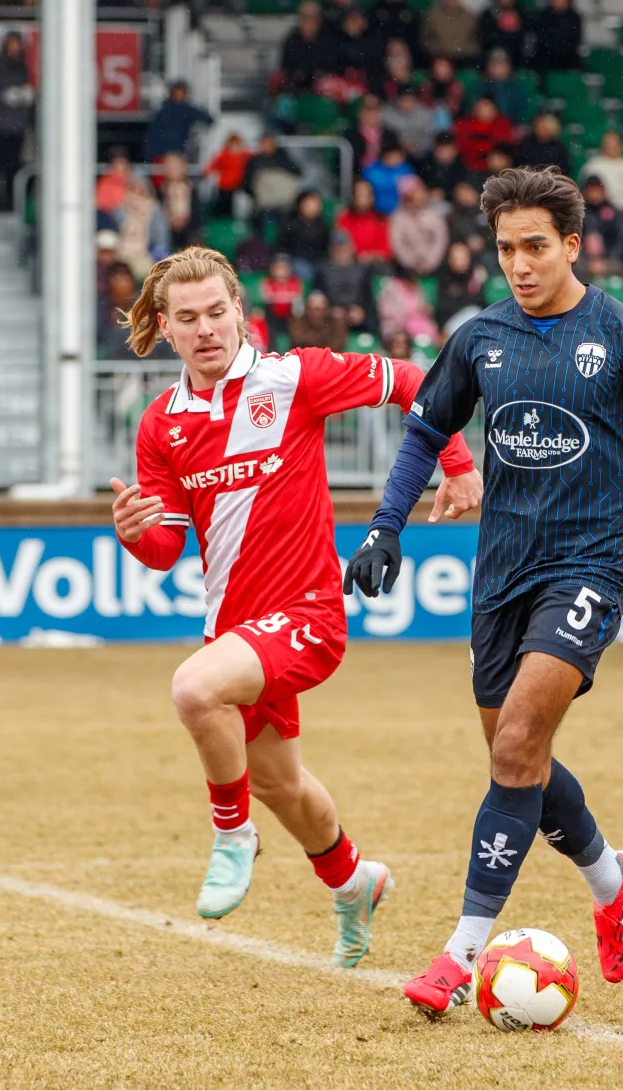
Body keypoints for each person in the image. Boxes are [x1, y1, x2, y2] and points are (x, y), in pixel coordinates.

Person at [343, 165, 623, 1015]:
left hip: (591, 562)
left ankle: (458, 954)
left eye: (535, 248)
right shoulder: (481, 337)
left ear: (573, 245)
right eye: (506, 248)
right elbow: (425, 431)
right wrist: (385, 526)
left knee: (518, 742)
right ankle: (611, 875)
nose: (519, 264)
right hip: (502, 571)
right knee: (516, 757)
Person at [110, 246, 481, 966]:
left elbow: (414, 380)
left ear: (240, 312)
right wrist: (134, 535)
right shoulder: (161, 426)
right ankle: (354, 883)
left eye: (217, 312)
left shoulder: (292, 378)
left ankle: (230, 834)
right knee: (283, 786)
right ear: (167, 327)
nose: (207, 328)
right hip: (235, 631)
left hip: (308, 615)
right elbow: (165, 547)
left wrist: (458, 464)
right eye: (188, 319)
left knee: (192, 688)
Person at [0, 30, 33, 212]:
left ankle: (11, 202)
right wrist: (3, 94)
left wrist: (24, 96)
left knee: (13, 166)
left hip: (16, 126)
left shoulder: (23, 66)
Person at [315, 230, 375, 332]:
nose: (341, 251)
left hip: (358, 317)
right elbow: (317, 295)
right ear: (331, 249)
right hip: (331, 316)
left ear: (351, 248)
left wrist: (361, 310)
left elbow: (368, 298)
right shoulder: (322, 270)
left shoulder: (362, 270)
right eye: (337, 248)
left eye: (344, 247)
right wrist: (329, 311)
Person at [389, 176, 450, 275]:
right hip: (405, 269)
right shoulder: (398, 218)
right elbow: (397, 243)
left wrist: (430, 261)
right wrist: (410, 262)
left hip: (433, 266)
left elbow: (440, 240)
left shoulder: (434, 215)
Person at [144, 81, 213, 163]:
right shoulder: (164, 111)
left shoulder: (185, 110)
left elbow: (208, 119)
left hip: (176, 153)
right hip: (164, 153)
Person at [280, 1, 337, 91]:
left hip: (323, 89)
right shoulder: (292, 40)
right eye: (305, 18)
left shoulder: (329, 39)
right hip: (297, 89)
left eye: (313, 17)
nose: (309, 22)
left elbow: (330, 66)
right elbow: (288, 67)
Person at [276, 189, 331, 282]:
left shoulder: (323, 225)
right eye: (309, 204)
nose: (313, 207)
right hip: (296, 261)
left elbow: (326, 248)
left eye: (316, 204)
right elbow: (282, 247)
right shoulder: (290, 223)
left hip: (318, 261)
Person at [336, 179, 393, 264]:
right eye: (358, 194)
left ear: (372, 197)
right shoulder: (344, 218)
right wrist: (359, 255)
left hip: (376, 263)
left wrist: (371, 256)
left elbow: (385, 250)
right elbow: (341, 247)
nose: (361, 198)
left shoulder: (381, 220)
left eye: (365, 195)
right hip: (352, 263)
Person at [377, 265, 440, 343]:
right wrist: (406, 316)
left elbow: (423, 306)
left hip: (418, 321)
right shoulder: (391, 289)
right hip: (396, 324)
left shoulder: (418, 289)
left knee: (430, 328)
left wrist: (426, 311)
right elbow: (385, 311)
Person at [454, 98, 516, 174]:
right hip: (470, 171)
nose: (484, 113)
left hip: (497, 171)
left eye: (488, 109)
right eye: (481, 109)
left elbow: (505, 150)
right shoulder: (464, 126)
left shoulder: (503, 126)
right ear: (475, 110)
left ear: (495, 110)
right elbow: (460, 148)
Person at [158, 153, 203, 251]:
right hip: (167, 232)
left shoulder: (192, 189)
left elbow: (198, 215)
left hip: (189, 232)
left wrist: (183, 220)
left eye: (175, 165)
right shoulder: (160, 191)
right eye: (169, 166)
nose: (172, 169)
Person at [381, 86, 438, 159]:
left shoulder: (424, 114)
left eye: (410, 100)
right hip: (394, 154)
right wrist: (401, 145)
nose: (407, 103)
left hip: (421, 155)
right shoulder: (387, 114)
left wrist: (418, 145)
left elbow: (431, 137)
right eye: (404, 99)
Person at [362, 139, 416, 215]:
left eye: (399, 155)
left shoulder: (406, 169)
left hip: (401, 213)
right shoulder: (371, 171)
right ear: (385, 156)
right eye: (393, 156)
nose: (396, 159)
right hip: (374, 213)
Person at [203, 133, 252, 218]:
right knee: (223, 204)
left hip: (239, 185)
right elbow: (213, 165)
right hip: (225, 185)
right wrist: (207, 173)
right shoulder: (224, 156)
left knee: (237, 205)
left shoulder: (245, 156)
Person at [529, 0, 582, 73]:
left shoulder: (574, 17)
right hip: (546, 55)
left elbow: (574, 39)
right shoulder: (543, 16)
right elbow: (541, 37)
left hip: (567, 56)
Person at [420, 0, 480, 64]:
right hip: (439, 59)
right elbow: (425, 40)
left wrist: (465, 50)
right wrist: (440, 52)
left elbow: (475, 40)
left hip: (465, 59)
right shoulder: (432, 15)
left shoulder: (469, 16)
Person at [417, 133, 468, 201]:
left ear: (455, 150)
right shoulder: (425, 165)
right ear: (435, 151)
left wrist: (445, 194)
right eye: (442, 151)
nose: (445, 154)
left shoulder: (462, 166)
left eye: (448, 150)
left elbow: (462, 188)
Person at [479, 0, 530, 68]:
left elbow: (527, 38)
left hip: (518, 58)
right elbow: (486, 40)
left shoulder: (523, 14)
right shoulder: (488, 15)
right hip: (494, 56)